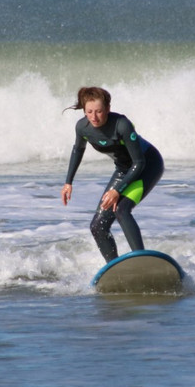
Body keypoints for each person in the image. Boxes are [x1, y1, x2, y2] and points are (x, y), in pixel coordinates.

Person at [61, 86, 164, 262]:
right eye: (89, 111)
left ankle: (142, 262)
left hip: (147, 166)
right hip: (124, 170)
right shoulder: (82, 128)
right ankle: (115, 268)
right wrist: (68, 182)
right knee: (97, 226)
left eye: (99, 111)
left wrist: (117, 191)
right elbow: (78, 150)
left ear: (108, 109)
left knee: (122, 210)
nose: (94, 117)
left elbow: (139, 163)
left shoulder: (121, 125)